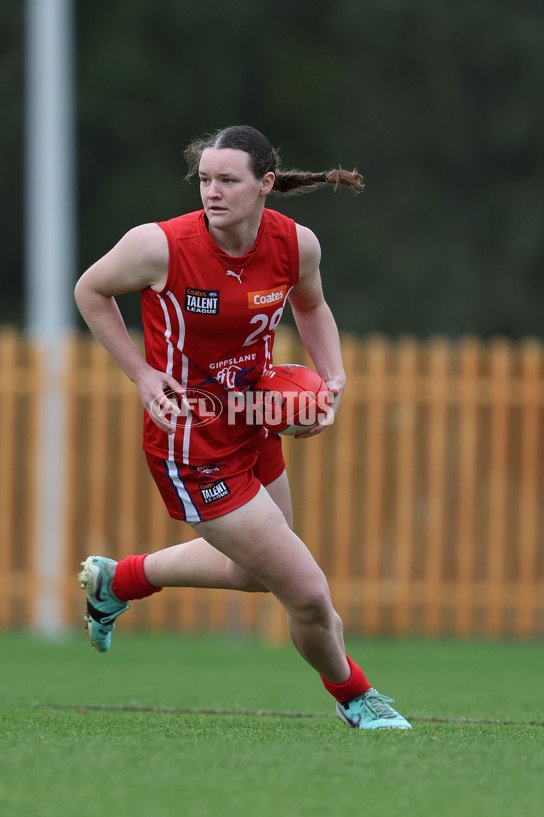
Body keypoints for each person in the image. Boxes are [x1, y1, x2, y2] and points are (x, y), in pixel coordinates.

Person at [74, 125, 411, 730]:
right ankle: (356, 697)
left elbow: (310, 305)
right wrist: (143, 375)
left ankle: (116, 579)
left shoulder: (295, 244)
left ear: (266, 185)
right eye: (205, 179)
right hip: (191, 439)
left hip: (254, 421)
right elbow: (90, 290)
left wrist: (331, 382)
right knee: (307, 592)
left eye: (228, 180)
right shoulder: (160, 246)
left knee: (257, 577)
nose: (212, 192)